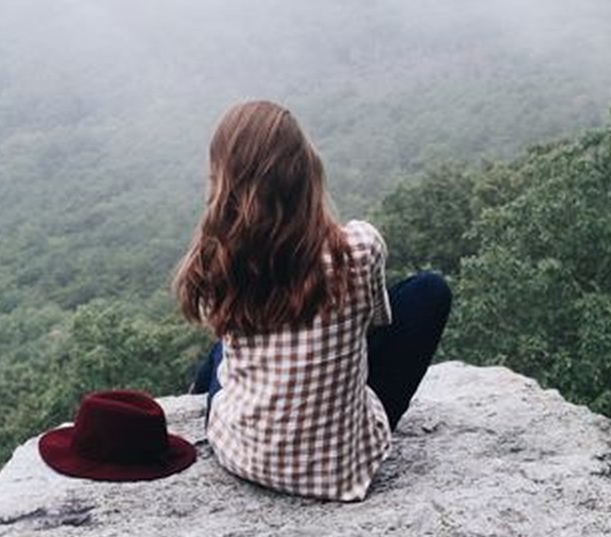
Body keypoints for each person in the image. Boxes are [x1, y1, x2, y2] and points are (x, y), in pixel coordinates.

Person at [174, 100, 451, 501]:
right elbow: (375, 325)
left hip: (242, 454)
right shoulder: (361, 247)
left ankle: (195, 395)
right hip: (340, 470)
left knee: (222, 351)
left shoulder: (220, 259)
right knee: (428, 292)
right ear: (306, 169)